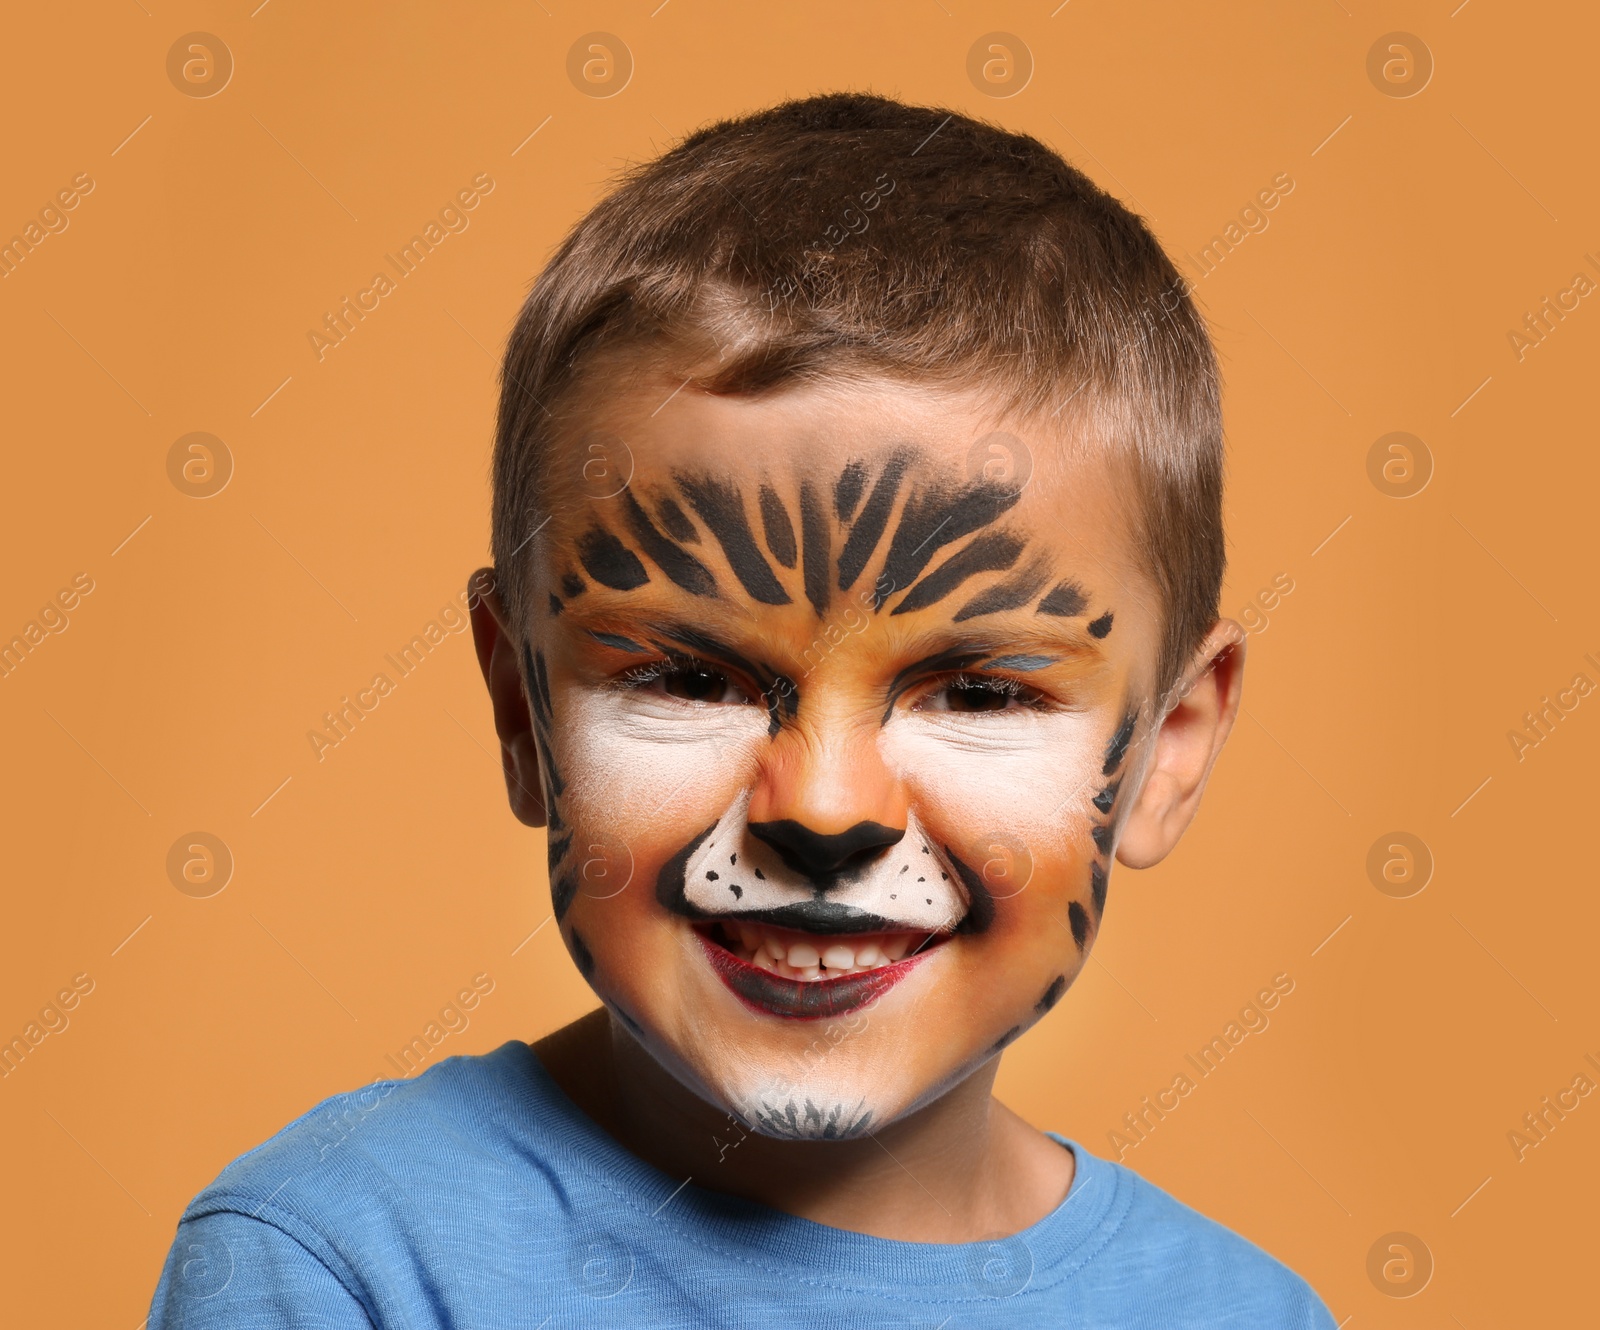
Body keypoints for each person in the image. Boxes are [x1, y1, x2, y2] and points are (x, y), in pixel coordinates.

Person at [149, 91, 1336, 1327]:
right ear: (523, 710)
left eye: (980, 690)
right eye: (686, 678)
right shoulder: (343, 1261)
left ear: (1165, 746)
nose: (823, 810)